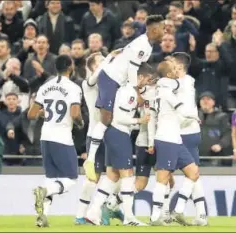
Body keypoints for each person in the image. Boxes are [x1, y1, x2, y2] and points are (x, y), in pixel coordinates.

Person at [84, 15, 165, 181]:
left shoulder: (147, 45)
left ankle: (103, 158)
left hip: (118, 81)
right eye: (163, 28)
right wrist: (136, 93)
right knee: (106, 119)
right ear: (154, 30)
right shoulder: (142, 45)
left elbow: (132, 65)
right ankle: (90, 159)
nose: (164, 32)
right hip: (111, 78)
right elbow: (131, 71)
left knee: (113, 119)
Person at [85, 63, 155, 226]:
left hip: (113, 134)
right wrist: (139, 120)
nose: (146, 83)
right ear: (140, 77)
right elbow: (119, 118)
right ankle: (130, 218)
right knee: (127, 176)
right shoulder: (129, 92)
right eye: (146, 79)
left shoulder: (124, 90)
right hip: (119, 133)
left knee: (112, 176)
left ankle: (93, 212)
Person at [27, 55, 84, 228]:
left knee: (51, 178)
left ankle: (42, 217)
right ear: (70, 67)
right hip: (62, 137)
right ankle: (45, 191)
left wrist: (44, 113)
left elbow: (31, 114)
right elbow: (75, 114)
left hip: (46, 137)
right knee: (72, 178)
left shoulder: (45, 86)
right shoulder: (74, 87)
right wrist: (81, 123)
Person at [75, 51, 123, 225]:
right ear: (93, 67)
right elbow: (93, 78)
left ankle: (107, 207)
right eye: (100, 61)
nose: (105, 62)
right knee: (92, 178)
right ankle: (80, 215)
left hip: (113, 134)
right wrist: (110, 56)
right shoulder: (87, 84)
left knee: (119, 174)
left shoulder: (112, 83)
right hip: (94, 135)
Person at [149, 61, 200, 226]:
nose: (177, 71)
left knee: (193, 172)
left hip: (175, 139)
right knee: (163, 177)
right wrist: (194, 117)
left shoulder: (160, 90)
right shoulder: (166, 91)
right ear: (169, 75)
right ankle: (155, 216)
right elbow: (182, 110)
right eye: (173, 69)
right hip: (166, 139)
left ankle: (178, 210)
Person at [172, 52, 208, 226]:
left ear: (179, 67)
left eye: (173, 64)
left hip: (183, 133)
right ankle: (201, 215)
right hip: (191, 132)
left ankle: (178, 208)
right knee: (194, 174)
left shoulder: (181, 84)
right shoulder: (188, 82)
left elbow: (184, 113)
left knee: (190, 173)